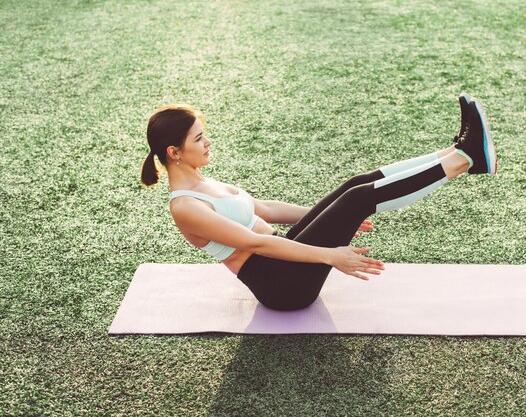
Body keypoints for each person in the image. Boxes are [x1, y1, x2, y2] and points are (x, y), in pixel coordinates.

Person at [140, 93, 497, 311]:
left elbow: (265, 210)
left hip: (286, 258)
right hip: (282, 286)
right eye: (199, 139)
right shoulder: (185, 207)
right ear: (174, 152)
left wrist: (331, 216)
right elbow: (256, 242)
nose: (209, 143)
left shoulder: (201, 180)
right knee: (357, 198)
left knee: (353, 188)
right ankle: (465, 159)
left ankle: (456, 150)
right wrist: (331, 254)